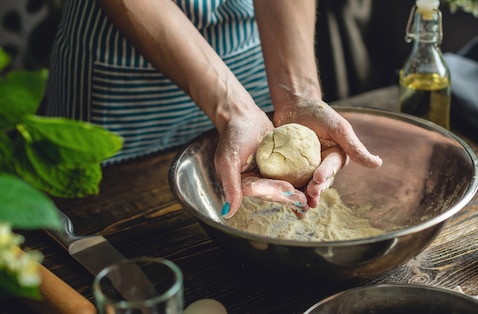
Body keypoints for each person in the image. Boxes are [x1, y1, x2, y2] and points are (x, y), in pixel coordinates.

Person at [45, 0, 383, 218]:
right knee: (109, 217)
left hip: (253, 57)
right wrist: (234, 108)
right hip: (122, 77)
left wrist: (298, 94)